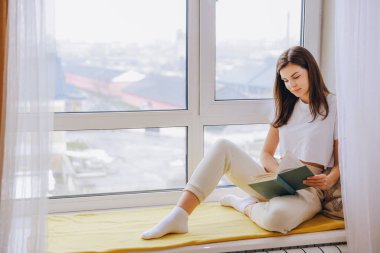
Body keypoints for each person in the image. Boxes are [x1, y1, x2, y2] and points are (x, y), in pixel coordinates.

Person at [141, 46, 343, 240]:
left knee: (276, 219)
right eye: (286, 80)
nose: (291, 85)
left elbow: (340, 159)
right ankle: (179, 215)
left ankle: (243, 204)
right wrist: (279, 171)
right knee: (223, 146)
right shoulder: (285, 107)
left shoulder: (334, 106)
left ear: (311, 70)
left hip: (310, 188)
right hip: (279, 180)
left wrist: (331, 179)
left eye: (296, 77)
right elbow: (265, 154)